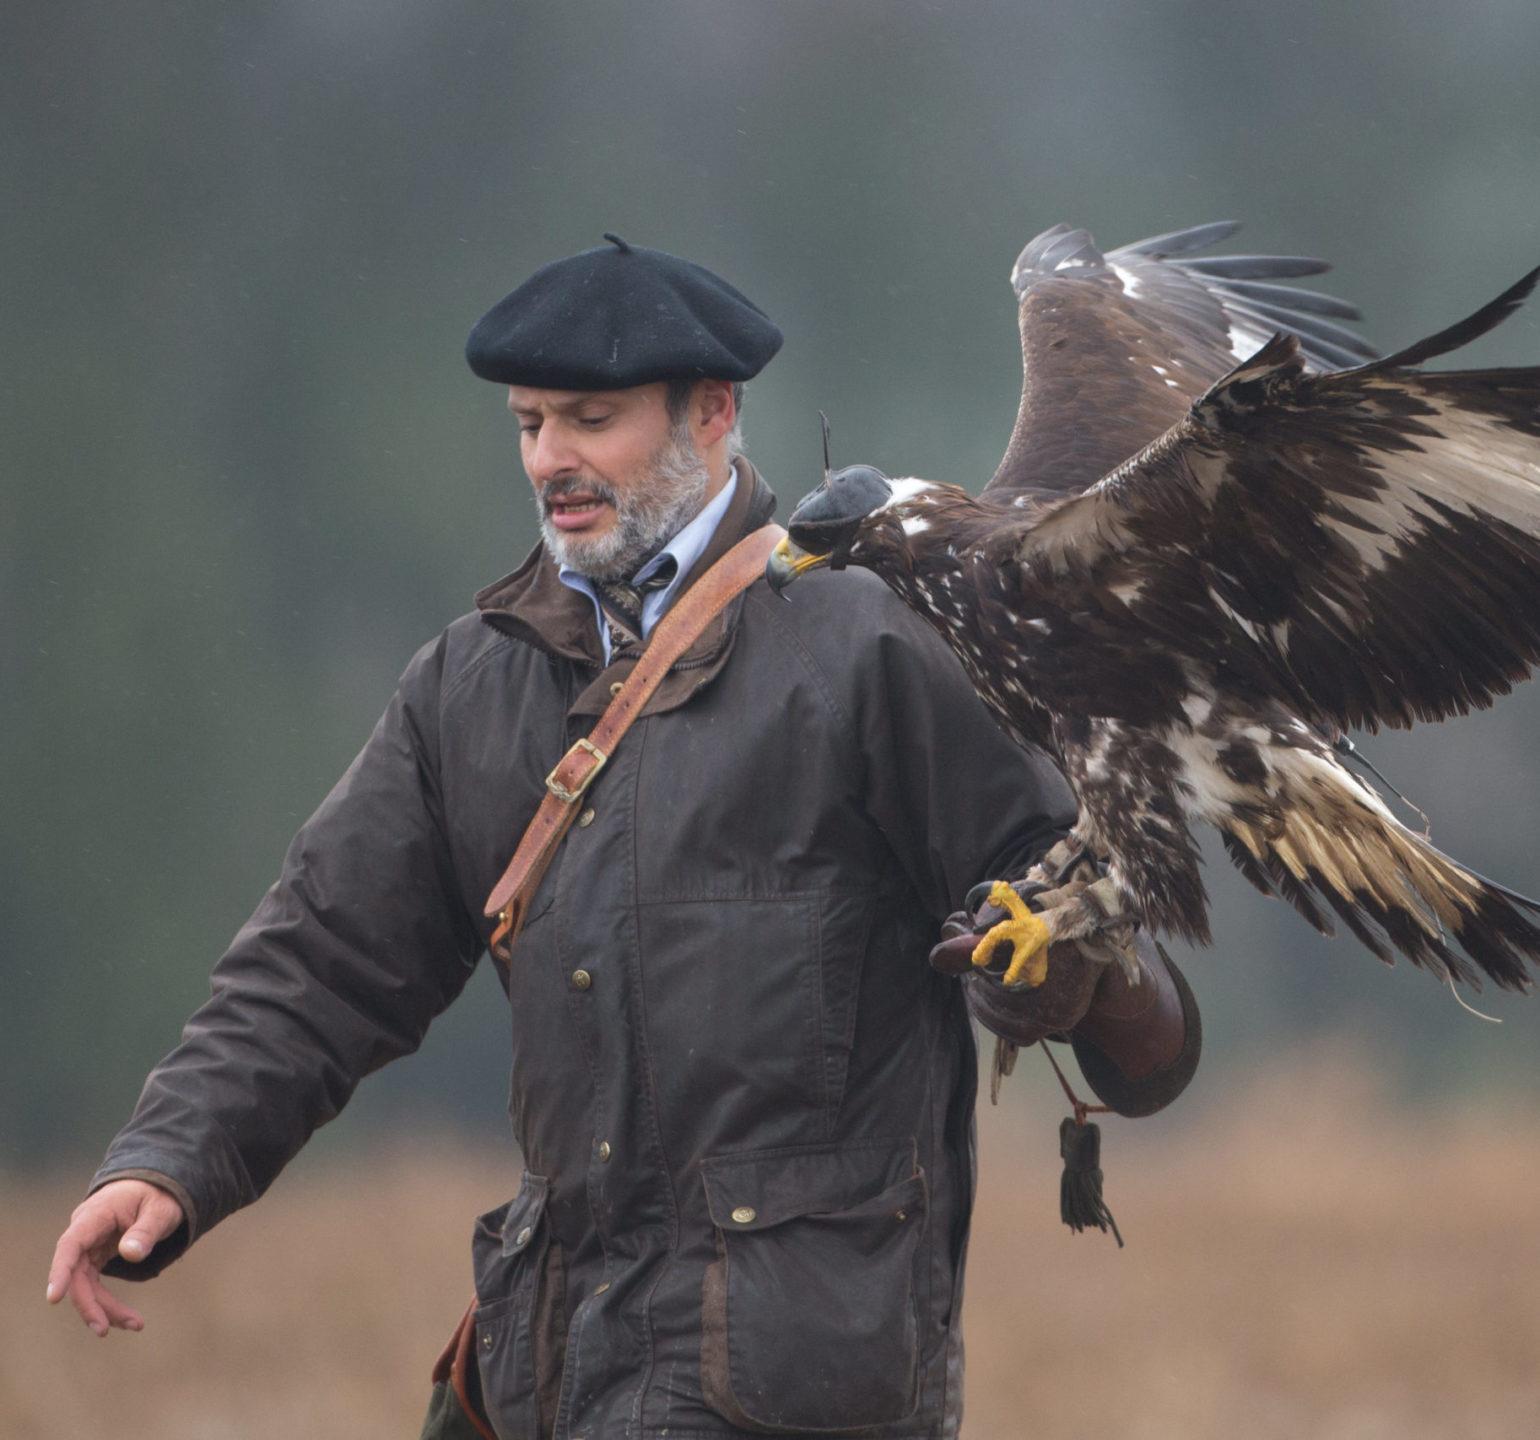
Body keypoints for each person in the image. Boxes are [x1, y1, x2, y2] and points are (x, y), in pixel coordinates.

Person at [46, 235, 1199, 1438]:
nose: (552, 460)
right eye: (530, 424)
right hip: (549, 1378)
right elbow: (320, 962)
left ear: (713, 412)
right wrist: (168, 1158)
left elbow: (1115, 970)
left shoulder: (870, 646)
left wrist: (1067, 976)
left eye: (590, 419)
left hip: (796, 1393)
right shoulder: (471, 684)